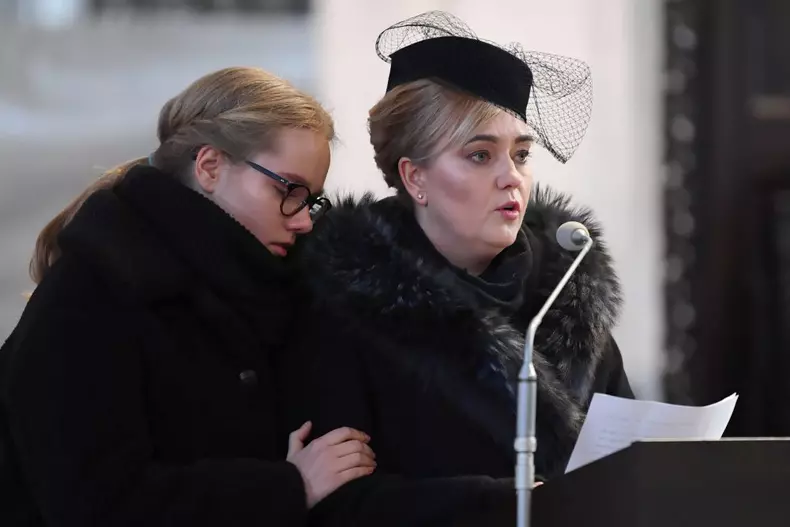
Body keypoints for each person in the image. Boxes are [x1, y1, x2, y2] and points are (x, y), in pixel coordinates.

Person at [286, 10, 635, 520]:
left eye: (521, 154)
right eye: (479, 155)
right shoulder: (344, 303)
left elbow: (626, 457)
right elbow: (341, 505)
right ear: (415, 177)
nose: (510, 177)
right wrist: (500, 505)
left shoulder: (564, 292)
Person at [0, 66, 377, 526]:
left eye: (311, 199)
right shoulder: (92, 296)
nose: (302, 220)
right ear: (210, 167)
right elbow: (95, 504)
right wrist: (289, 486)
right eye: (286, 190)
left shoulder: (278, 291)